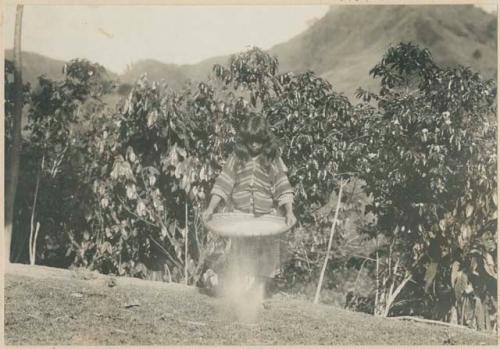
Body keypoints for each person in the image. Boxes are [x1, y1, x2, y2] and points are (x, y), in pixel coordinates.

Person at [202, 113, 296, 298]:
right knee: (241, 256)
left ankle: (256, 293)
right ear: (245, 140)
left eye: (258, 141)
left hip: (264, 217)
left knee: (265, 257)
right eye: (250, 141)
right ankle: (236, 292)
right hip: (241, 215)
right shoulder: (237, 157)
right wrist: (211, 208)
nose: (254, 145)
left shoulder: (272, 159)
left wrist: (289, 211)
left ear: (265, 140)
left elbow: (282, 185)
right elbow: (224, 183)